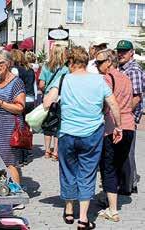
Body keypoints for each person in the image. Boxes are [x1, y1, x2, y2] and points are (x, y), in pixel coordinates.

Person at [43, 46, 122, 229]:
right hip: (92, 134)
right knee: (87, 173)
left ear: (70, 62)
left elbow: (47, 102)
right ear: (86, 62)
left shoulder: (64, 79)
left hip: (67, 134)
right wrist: (118, 126)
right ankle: (84, 218)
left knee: (68, 171)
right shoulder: (99, 80)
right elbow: (113, 104)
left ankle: (69, 211)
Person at [96, 49, 135, 222]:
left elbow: (105, 104)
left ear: (109, 62)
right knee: (117, 165)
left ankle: (112, 210)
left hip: (113, 127)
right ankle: (109, 198)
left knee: (108, 167)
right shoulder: (126, 78)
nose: (97, 65)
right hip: (129, 126)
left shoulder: (106, 78)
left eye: (100, 62)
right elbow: (133, 100)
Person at [0, 50, 26, 184]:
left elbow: (20, 108)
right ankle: (6, 190)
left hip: (10, 127)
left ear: (7, 63)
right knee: (0, 159)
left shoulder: (16, 82)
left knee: (9, 162)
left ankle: (16, 197)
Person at [116, 40, 145, 195]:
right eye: (119, 51)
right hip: (122, 115)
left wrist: (124, 115)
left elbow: (136, 97)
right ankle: (126, 181)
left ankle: (128, 185)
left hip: (129, 116)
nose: (120, 54)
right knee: (123, 151)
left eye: (124, 51)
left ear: (131, 52)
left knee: (127, 152)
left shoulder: (133, 70)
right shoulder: (121, 69)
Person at [39, 44, 69, 161]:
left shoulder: (46, 66)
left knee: (48, 123)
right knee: (58, 125)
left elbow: (41, 84)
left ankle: (47, 150)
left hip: (48, 97)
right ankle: (55, 152)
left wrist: (46, 90)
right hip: (61, 98)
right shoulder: (66, 69)